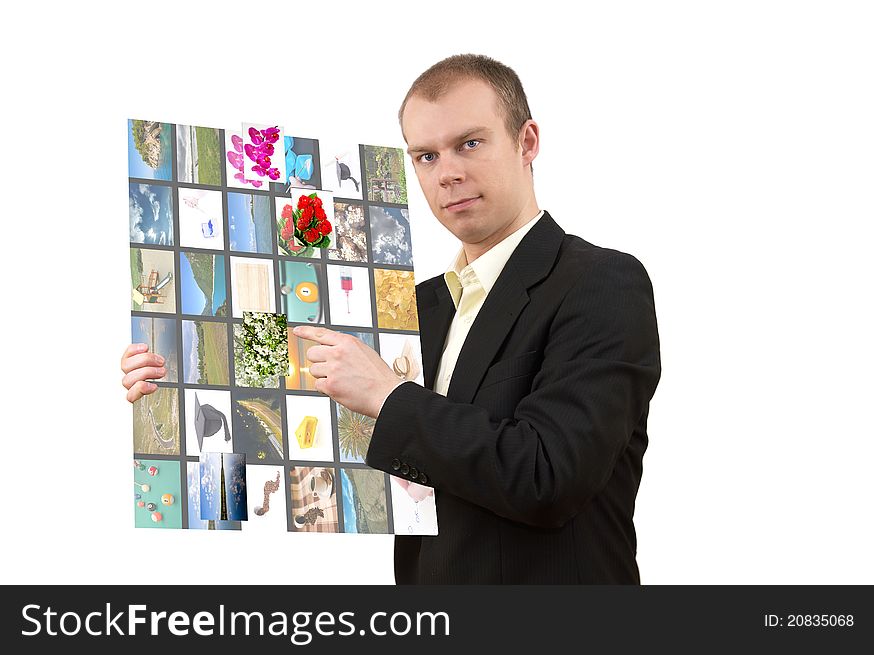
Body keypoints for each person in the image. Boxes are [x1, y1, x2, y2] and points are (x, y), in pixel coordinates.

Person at [121, 53, 661, 584]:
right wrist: (179, 376)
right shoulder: (415, 307)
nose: (447, 173)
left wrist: (387, 395)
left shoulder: (601, 283)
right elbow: (311, 442)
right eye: (425, 156)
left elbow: (548, 477)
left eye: (469, 144)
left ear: (527, 142)